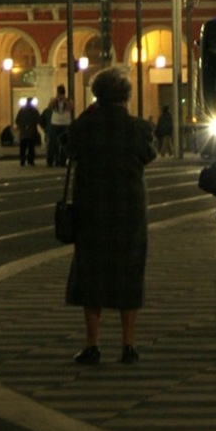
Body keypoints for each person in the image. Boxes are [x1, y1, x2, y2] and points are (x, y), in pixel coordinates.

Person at [65, 65, 155, 363]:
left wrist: (88, 114)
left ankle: (93, 344)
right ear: (127, 96)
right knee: (129, 272)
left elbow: (69, 145)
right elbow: (148, 155)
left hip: (91, 209)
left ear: (96, 95)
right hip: (129, 210)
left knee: (91, 274)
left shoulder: (85, 126)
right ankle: (128, 344)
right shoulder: (138, 128)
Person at [47, 86, 73, 167]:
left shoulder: (68, 100)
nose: (60, 95)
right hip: (55, 123)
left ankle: (62, 161)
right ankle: (51, 161)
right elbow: (49, 107)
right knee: (52, 144)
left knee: (65, 143)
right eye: (59, 93)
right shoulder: (54, 100)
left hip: (65, 124)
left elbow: (70, 108)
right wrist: (56, 99)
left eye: (62, 93)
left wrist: (65, 100)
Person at [15, 99, 41, 166]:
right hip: (32, 132)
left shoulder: (22, 110)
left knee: (23, 148)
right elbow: (38, 120)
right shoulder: (34, 111)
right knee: (31, 147)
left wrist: (21, 126)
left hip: (23, 133)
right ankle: (30, 161)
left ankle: (22, 161)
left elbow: (17, 120)